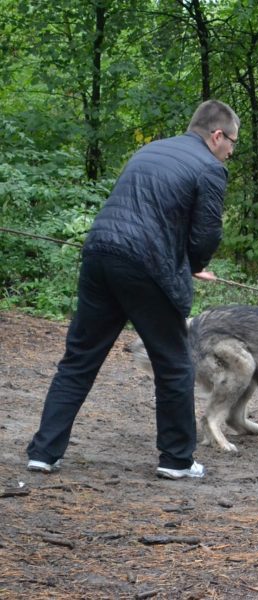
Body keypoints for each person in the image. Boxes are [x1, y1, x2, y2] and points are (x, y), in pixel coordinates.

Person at [25, 100, 240, 480]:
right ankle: (176, 460)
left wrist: (181, 261)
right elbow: (207, 233)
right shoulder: (210, 167)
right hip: (145, 265)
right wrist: (193, 264)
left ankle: (43, 452)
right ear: (217, 135)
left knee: (79, 359)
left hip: (99, 255)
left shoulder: (151, 149)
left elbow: (142, 210)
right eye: (232, 143)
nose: (231, 152)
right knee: (174, 364)